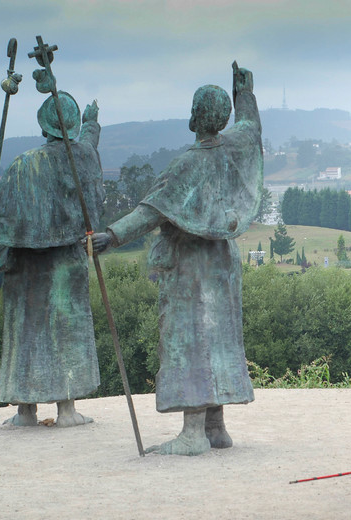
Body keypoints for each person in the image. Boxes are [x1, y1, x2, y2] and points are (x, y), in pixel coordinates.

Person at [91, 64, 262, 455]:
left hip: (191, 268)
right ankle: (216, 427)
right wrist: (245, 94)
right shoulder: (236, 149)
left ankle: (192, 434)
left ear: (194, 117)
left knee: (193, 340)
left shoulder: (188, 165)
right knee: (218, 339)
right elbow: (251, 126)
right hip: (223, 263)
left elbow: (150, 212)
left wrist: (111, 236)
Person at [0, 92, 103, 427]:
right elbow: (88, 145)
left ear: (43, 123)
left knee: (27, 333)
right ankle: (67, 410)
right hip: (65, 263)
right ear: (74, 125)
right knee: (67, 331)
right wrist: (92, 123)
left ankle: (25, 410)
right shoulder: (83, 160)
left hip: (27, 268)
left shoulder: (24, 165)